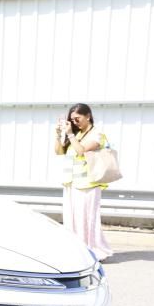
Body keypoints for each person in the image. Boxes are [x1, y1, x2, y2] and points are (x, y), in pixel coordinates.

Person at [55, 103, 112, 260]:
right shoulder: (77, 135)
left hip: (89, 184)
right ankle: (77, 249)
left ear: (88, 116)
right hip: (72, 183)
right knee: (72, 218)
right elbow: (59, 152)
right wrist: (59, 134)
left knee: (87, 219)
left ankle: (95, 251)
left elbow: (81, 151)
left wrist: (71, 135)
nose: (74, 122)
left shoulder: (97, 135)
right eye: (72, 120)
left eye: (77, 118)